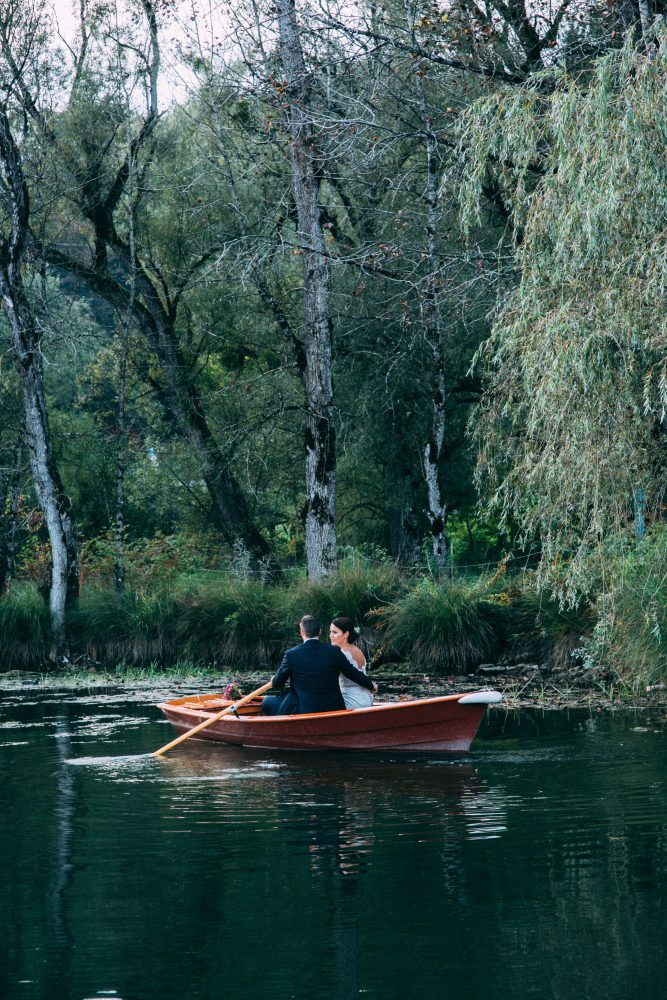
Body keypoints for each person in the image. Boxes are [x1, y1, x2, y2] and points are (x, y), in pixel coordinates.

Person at [261, 614, 376, 716]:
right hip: (334, 708)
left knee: (266, 702)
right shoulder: (334, 651)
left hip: (306, 710)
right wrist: (371, 685)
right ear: (320, 631)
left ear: (302, 632)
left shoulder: (291, 654)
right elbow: (353, 673)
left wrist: (274, 679)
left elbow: (277, 683)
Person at [329, 615, 374, 710]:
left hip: (351, 701)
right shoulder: (358, 650)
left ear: (346, 634)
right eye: (330, 632)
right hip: (367, 698)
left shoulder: (340, 653)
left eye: (335, 632)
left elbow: (330, 679)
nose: (331, 635)